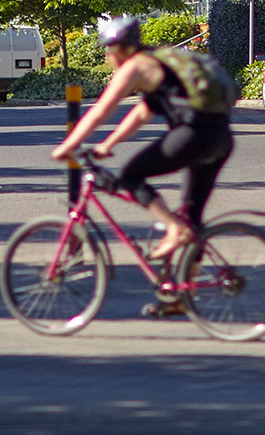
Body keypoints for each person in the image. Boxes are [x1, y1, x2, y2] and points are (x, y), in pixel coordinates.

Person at [51, 15, 234, 262]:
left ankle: (173, 228)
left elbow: (102, 110)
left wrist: (68, 146)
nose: (107, 57)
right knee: (193, 223)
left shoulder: (134, 67)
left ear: (120, 48)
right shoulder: (159, 61)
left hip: (194, 135)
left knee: (129, 175)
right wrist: (108, 144)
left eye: (108, 50)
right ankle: (182, 297)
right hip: (221, 138)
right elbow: (141, 113)